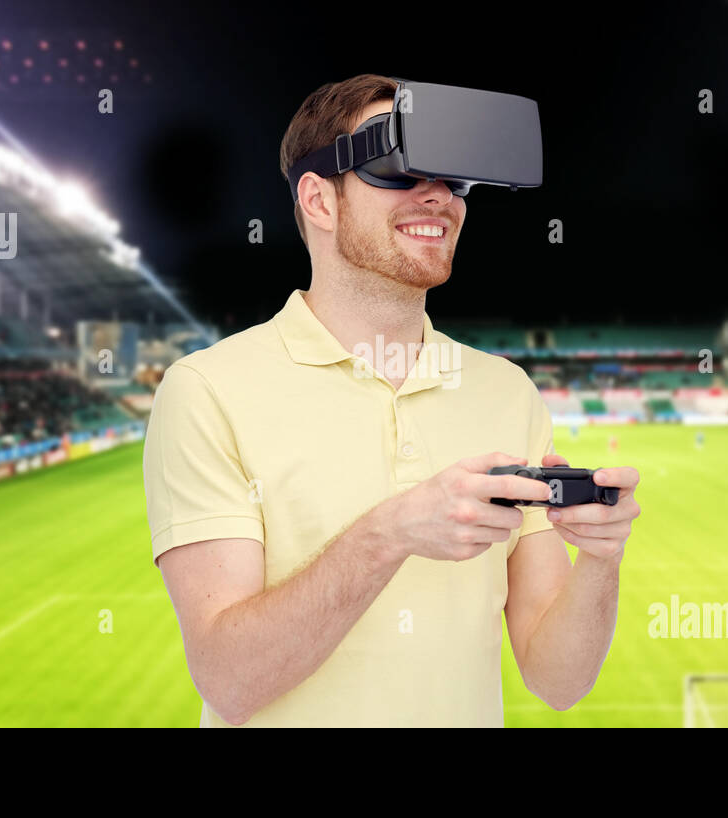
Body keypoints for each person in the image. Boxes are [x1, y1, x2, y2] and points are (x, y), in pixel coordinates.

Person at [144, 75, 641, 728]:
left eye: (454, 177)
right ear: (318, 200)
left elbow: (559, 681)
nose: (438, 195)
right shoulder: (207, 390)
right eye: (397, 167)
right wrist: (392, 532)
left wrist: (601, 560)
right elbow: (230, 683)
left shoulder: (505, 391)